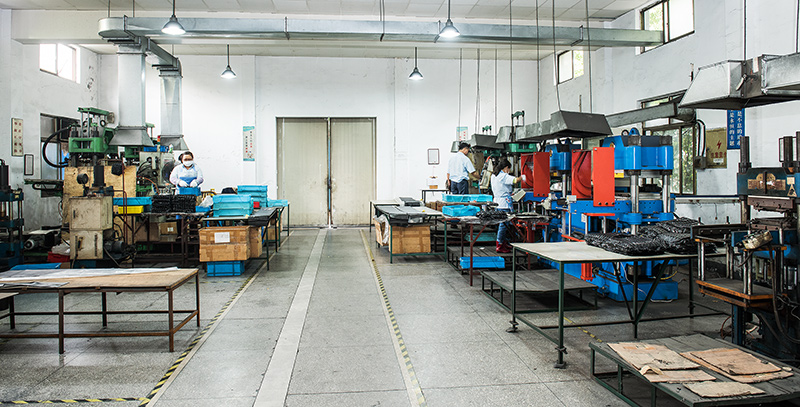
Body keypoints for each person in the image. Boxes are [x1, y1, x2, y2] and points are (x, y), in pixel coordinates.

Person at [491, 158, 524, 253]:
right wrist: (524, 176)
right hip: (504, 204)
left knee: (503, 224)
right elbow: (515, 180)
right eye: (509, 169)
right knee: (503, 225)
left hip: (497, 202)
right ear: (506, 168)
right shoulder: (504, 176)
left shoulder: (494, 175)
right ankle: (499, 244)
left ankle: (502, 242)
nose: (509, 171)